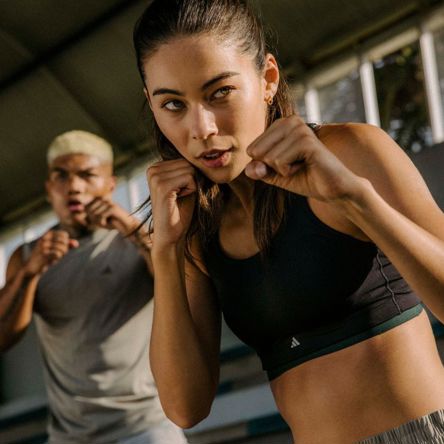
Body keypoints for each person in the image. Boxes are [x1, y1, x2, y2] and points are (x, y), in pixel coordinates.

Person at [132, 1, 444, 443]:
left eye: (220, 92)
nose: (201, 127)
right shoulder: (194, 226)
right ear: (152, 104)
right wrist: (164, 252)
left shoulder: (348, 151)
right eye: (173, 104)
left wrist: (355, 199)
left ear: (268, 79)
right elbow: (185, 407)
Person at [0, 130, 187, 444]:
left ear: (110, 185)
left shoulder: (142, 240)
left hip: (145, 428)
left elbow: (182, 287)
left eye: (87, 175)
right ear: (49, 189)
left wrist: (131, 228)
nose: (73, 187)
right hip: (69, 437)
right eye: (61, 177)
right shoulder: (30, 255)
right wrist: (29, 275)